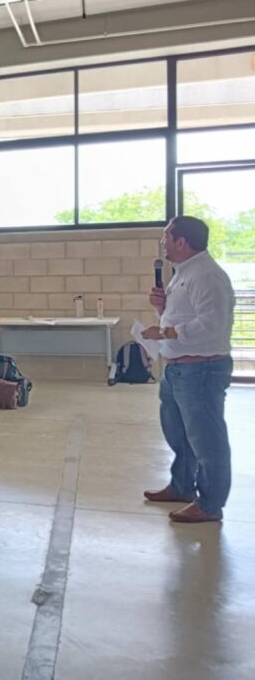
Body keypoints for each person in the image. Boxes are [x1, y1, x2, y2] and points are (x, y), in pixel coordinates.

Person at [143, 216, 235, 524]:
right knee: (180, 434)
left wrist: (165, 332)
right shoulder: (184, 272)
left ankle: (210, 504)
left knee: (207, 439)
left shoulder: (207, 275)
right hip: (178, 369)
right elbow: (185, 316)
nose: (163, 243)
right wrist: (162, 309)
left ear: (181, 242)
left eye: (166, 237)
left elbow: (212, 324)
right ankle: (182, 487)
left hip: (201, 371)